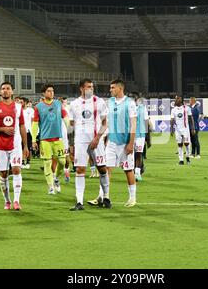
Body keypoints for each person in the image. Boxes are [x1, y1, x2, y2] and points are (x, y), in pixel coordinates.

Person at [0, 82, 29, 211]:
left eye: (8, 89)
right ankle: (7, 201)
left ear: (12, 92)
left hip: (15, 144)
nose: (5, 91)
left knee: (16, 170)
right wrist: (2, 129)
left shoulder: (19, 107)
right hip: (0, 146)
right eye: (3, 89)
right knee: (3, 174)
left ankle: (16, 201)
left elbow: (22, 126)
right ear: (0, 92)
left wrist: (25, 146)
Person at [69, 79, 110, 211]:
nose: (91, 89)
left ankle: (106, 197)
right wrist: (72, 144)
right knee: (80, 169)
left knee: (102, 168)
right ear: (81, 88)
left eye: (92, 87)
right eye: (88, 87)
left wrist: (98, 138)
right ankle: (79, 202)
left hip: (96, 141)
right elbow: (71, 125)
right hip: (80, 142)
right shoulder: (74, 104)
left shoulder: (99, 102)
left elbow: (105, 123)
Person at [100, 79, 137, 207]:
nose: (110, 90)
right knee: (106, 169)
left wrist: (131, 143)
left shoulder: (129, 103)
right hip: (112, 142)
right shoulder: (109, 102)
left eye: (112, 88)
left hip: (125, 143)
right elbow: (106, 122)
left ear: (120, 89)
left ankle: (132, 198)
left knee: (127, 170)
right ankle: (103, 196)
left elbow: (133, 125)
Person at [31, 84, 68, 195]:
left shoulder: (58, 104)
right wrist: (33, 139)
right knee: (47, 163)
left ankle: (56, 177)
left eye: (52, 91)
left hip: (58, 139)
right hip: (45, 140)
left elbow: (65, 116)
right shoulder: (38, 107)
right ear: (43, 93)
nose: (51, 93)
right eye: (48, 91)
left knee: (62, 162)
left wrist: (70, 128)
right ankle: (51, 186)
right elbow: (35, 124)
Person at [129, 92, 149, 182]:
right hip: (130, 134)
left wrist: (148, 137)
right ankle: (136, 170)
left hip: (140, 134)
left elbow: (146, 121)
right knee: (131, 154)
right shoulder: (126, 109)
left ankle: (137, 173)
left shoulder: (142, 108)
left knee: (139, 153)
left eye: (133, 98)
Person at [170, 96, 192, 165]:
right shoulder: (173, 110)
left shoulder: (186, 108)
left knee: (186, 143)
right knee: (179, 144)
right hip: (177, 130)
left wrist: (193, 128)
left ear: (181, 100)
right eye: (176, 99)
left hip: (185, 129)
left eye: (178, 99)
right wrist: (171, 129)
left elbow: (190, 118)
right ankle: (181, 160)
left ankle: (188, 156)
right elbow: (172, 120)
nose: (176, 100)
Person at [21, 97, 34, 170]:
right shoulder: (18, 110)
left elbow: (32, 121)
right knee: (21, 147)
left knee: (29, 148)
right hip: (20, 132)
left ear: (25, 103)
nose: (20, 103)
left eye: (21, 102)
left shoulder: (30, 110)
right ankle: (22, 162)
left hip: (28, 131)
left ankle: (28, 162)